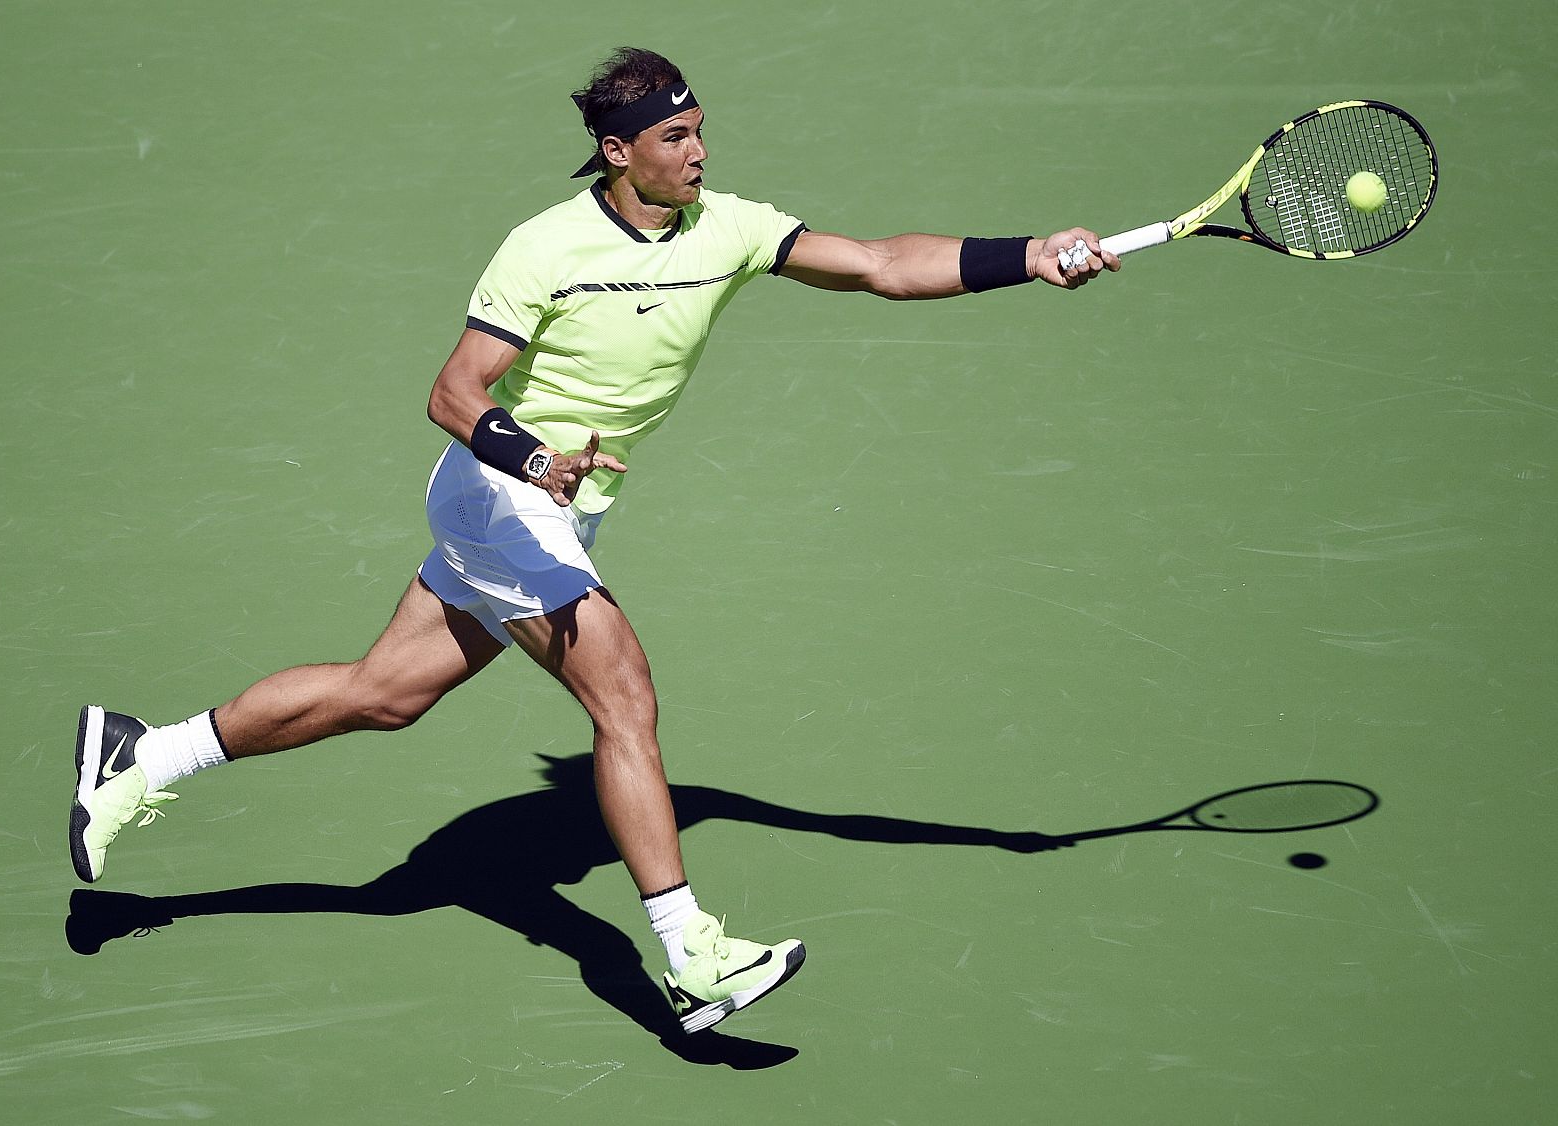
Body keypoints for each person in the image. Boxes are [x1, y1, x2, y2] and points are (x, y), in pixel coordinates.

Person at [69, 46, 1118, 1036]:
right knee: (623, 694)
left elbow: (886, 263)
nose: (696, 153)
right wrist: (533, 462)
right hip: (500, 491)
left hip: (558, 510)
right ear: (618, 152)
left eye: (700, 132)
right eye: (673, 141)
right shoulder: (545, 247)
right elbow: (452, 390)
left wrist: (1029, 256)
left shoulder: (729, 227)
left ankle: (141, 753)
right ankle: (691, 952)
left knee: (382, 694)